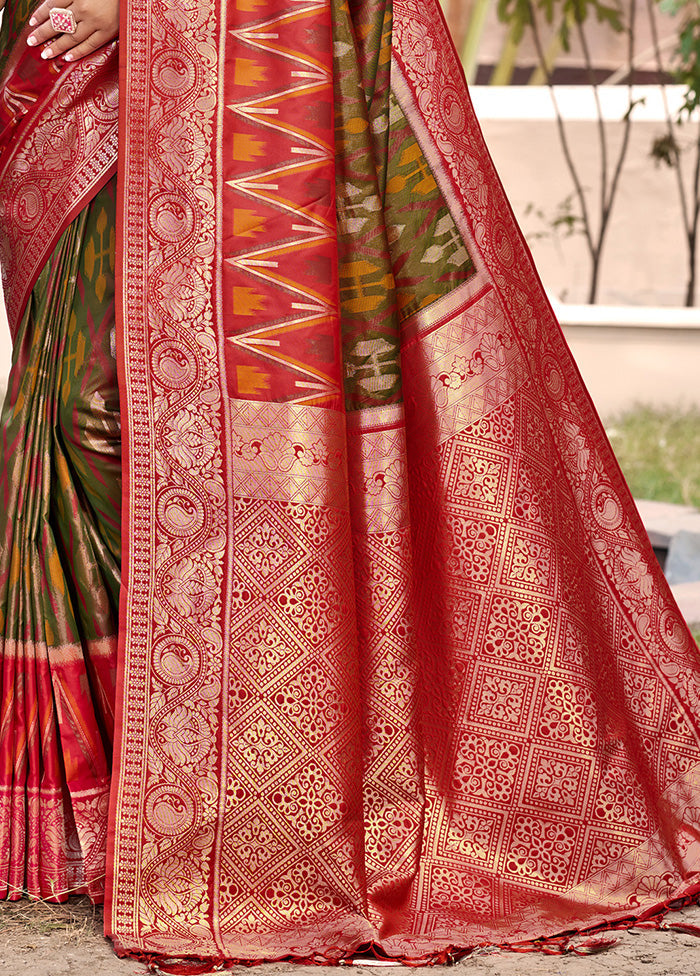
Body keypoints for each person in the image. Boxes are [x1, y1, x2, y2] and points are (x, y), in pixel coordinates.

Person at [2, 0, 700, 968]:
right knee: (65, 411)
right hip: (58, 70)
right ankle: (76, 821)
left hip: (230, 66)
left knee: (117, 415)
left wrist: (144, 13)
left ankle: (219, 802)